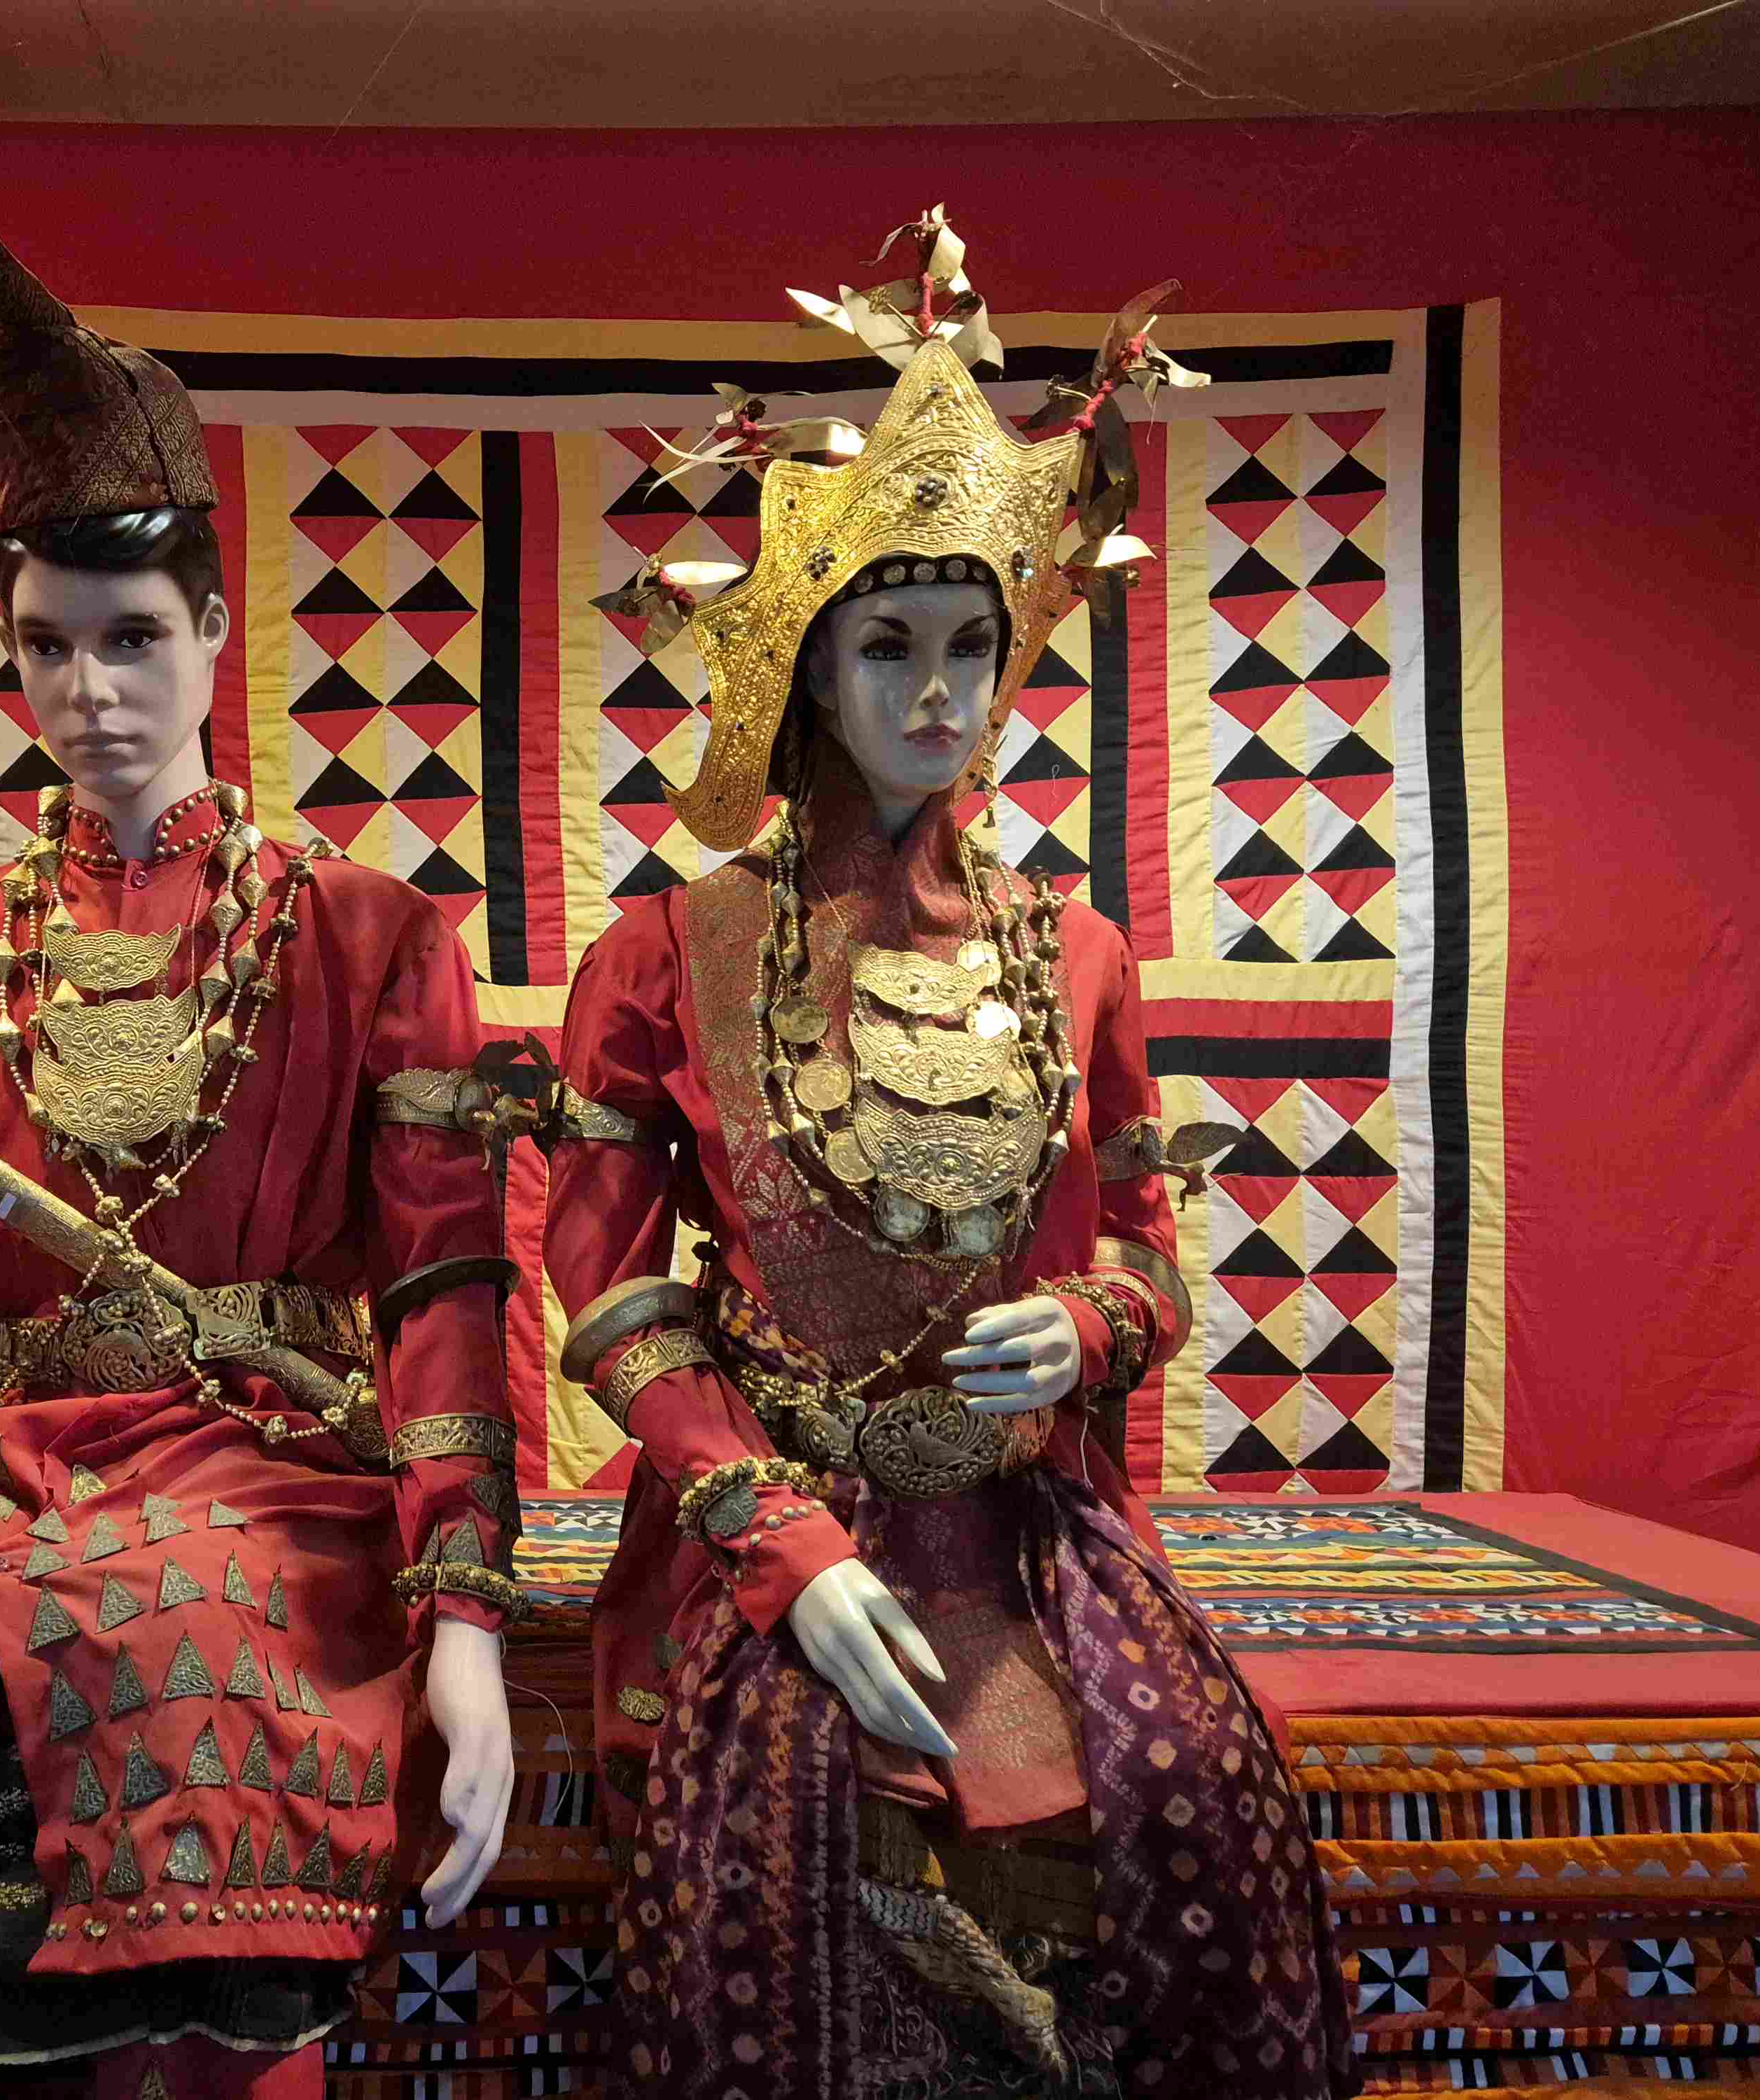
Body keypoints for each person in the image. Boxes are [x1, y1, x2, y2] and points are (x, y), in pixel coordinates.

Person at [0, 200, 518, 2100]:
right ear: (7, 650)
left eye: (134, 639)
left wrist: (463, 1615)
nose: (92, 695)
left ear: (215, 632)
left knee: (180, 1626)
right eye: (48, 647)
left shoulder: (370, 934)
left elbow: (448, 1294)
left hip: (269, 1456)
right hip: (3, 1453)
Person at [544, 214, 1357, 2098]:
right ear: (808, 673)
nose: (938, 693)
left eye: (972, 646)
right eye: (888, 648)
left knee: (1189, 1793)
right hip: (780, 1513)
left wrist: (1090, 1327)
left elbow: (1148, 1253)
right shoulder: (666, 955)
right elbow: (613, 1298)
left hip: (1022, 1518)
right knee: (789, 1829)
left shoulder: (1080, 958)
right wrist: (777, 1539)